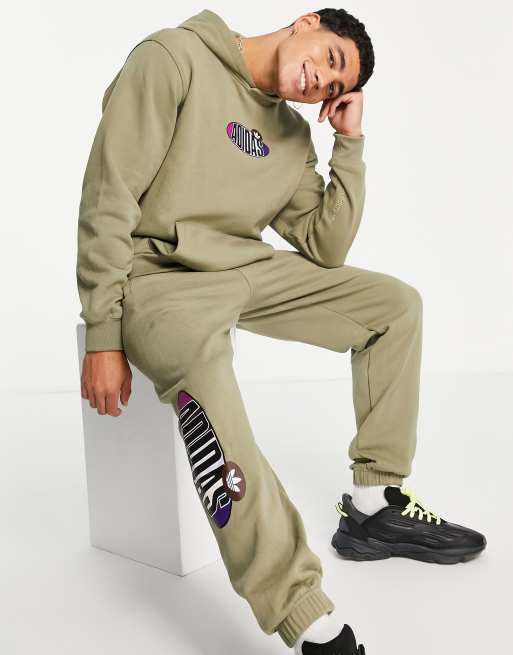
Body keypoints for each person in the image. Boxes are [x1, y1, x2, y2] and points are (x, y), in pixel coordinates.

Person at [76, 8, 487, 654]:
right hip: (159, 280)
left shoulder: (292, 136)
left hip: (245, 268)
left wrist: (348, 142)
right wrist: (103, 332)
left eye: (334, 85)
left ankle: (374, 506)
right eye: (329, 57)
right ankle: (301, 612)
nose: (320, 80)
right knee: (209, 378)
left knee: (394, 308)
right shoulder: (172, 59)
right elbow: (108, 196)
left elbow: (326, 245)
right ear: (306, 22)